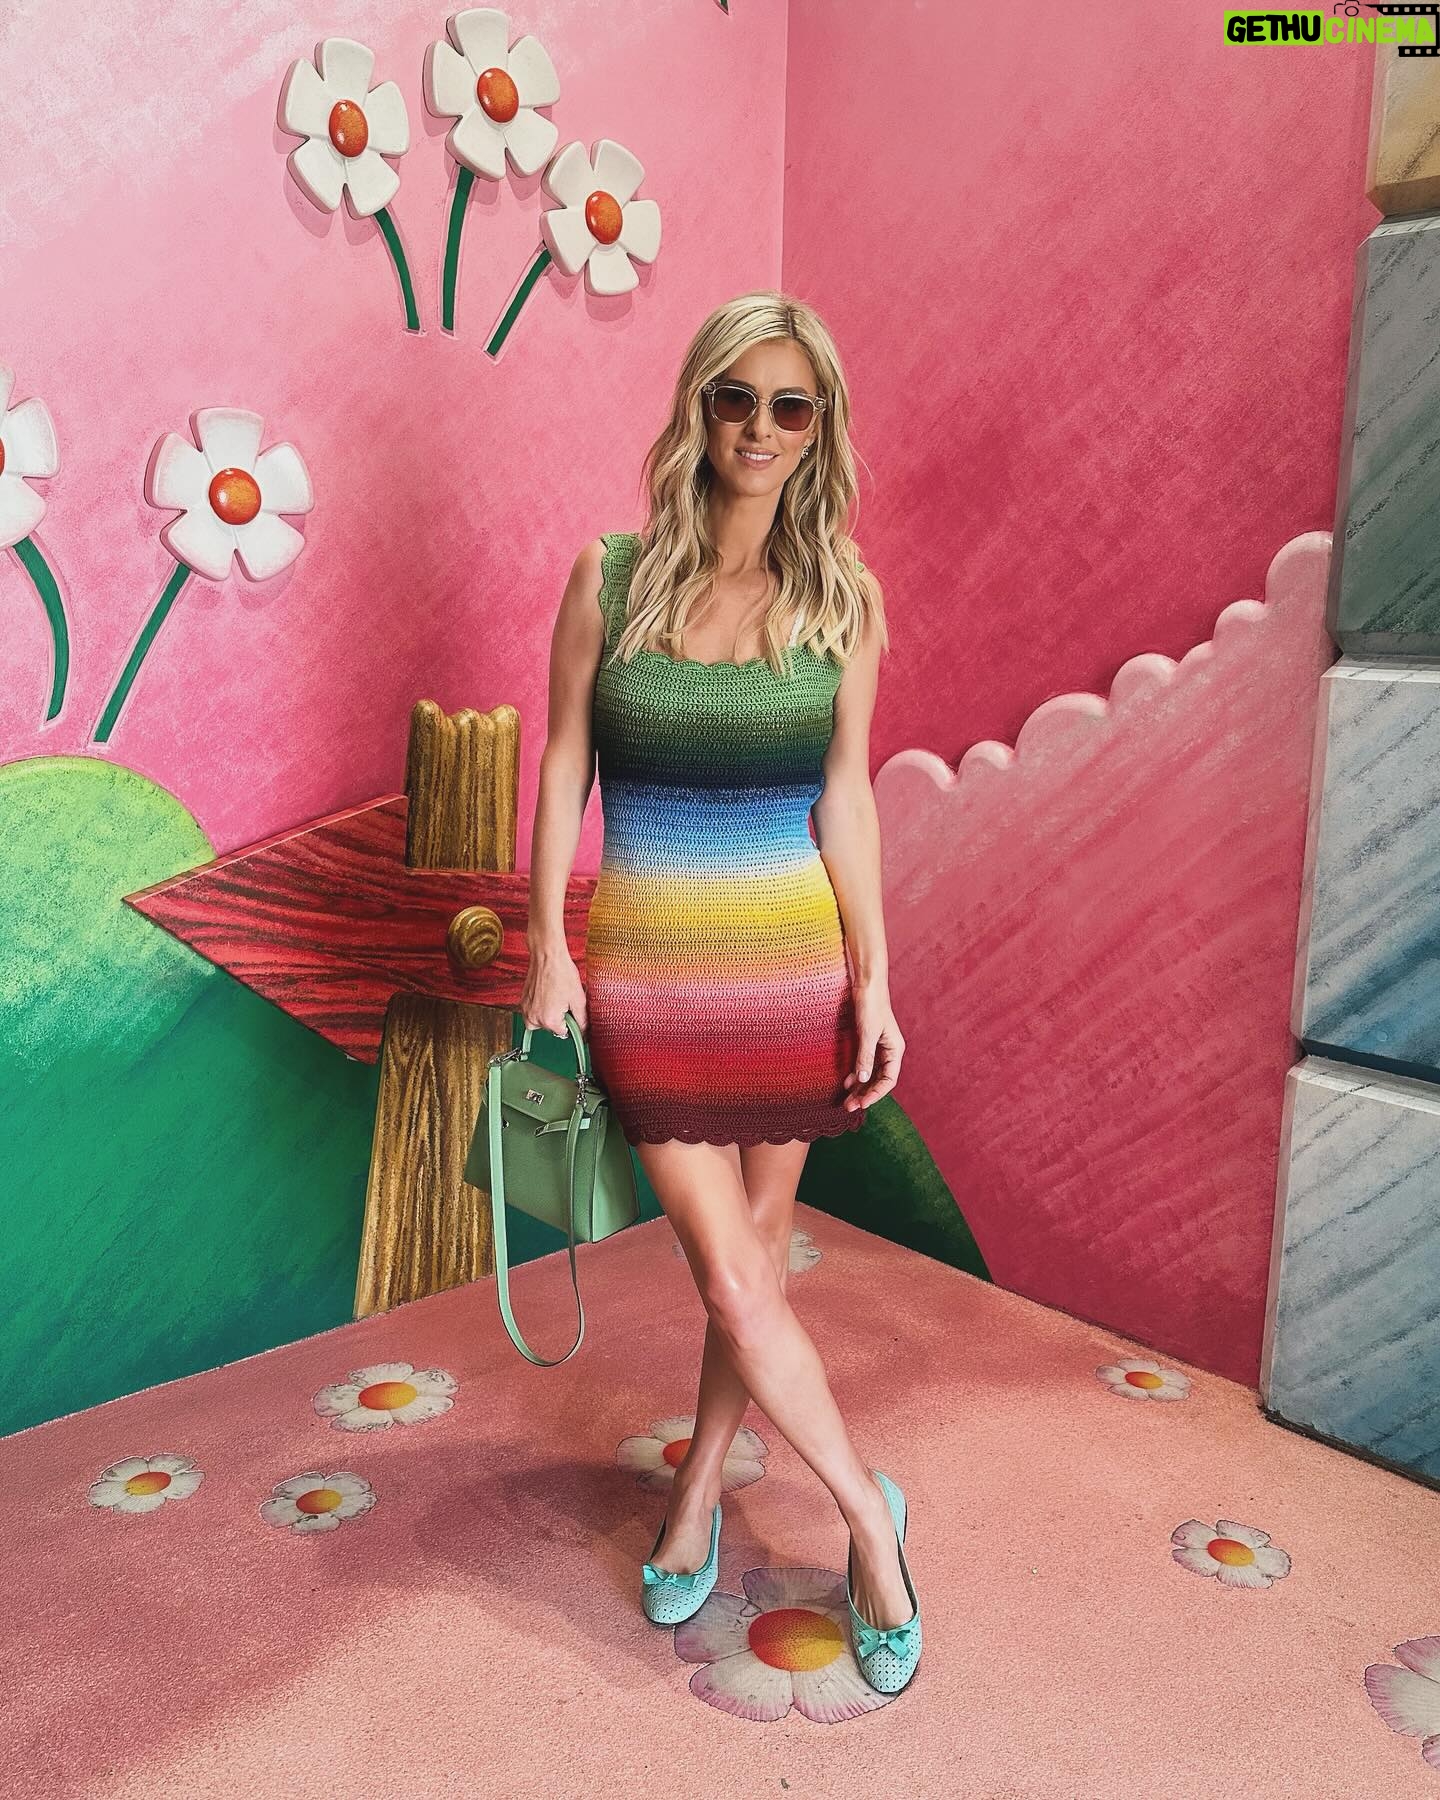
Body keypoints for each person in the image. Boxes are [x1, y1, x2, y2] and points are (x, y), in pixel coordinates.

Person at [520, 290, 920, 1694]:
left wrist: (874, 978)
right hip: (646, 977)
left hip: (791, 980)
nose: (759, 426)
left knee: (751, 1266)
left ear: (819, 431)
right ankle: (869, 1522)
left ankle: (696, 1495)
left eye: (789, 405)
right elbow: (563, 760)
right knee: (734, 1275)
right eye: (735, 397)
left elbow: (845, 797)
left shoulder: (843, 600)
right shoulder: (611, 577)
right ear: (698, 407)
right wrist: (547, 941)